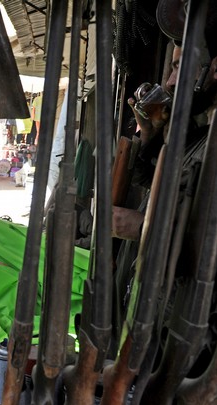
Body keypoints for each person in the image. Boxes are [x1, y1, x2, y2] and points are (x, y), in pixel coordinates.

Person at [111, 0, 217, 361]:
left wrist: (143, 228)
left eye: (178, 68)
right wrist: (148, 134)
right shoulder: (195, 134)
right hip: (152, 322)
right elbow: (152, 181)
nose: (169, 81)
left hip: (186, 345)